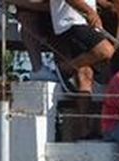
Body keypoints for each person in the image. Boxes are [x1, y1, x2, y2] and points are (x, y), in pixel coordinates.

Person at [48, 0, 115, 138]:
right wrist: (90, 12)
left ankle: (85, 129)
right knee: (106, 50)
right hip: (70, 22)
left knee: (85, 74)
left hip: (85, 23)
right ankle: (65, 68)